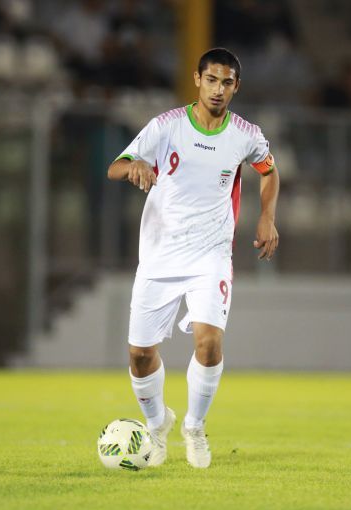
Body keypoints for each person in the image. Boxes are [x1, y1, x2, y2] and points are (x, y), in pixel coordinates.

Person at [106, 48, 280, 468]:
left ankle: (195, 427)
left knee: (209, 342)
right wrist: (135, 167)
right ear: (197, 79)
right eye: (211, 80)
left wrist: (267, 218)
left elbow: (269, 171)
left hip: (211, 255)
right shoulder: (166, 126)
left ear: (236, 86)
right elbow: (116, 166)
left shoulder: (245, 134)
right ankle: (156, 425)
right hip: (160, 254)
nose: (218, 89)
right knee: (139, 355)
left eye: (226, 82)